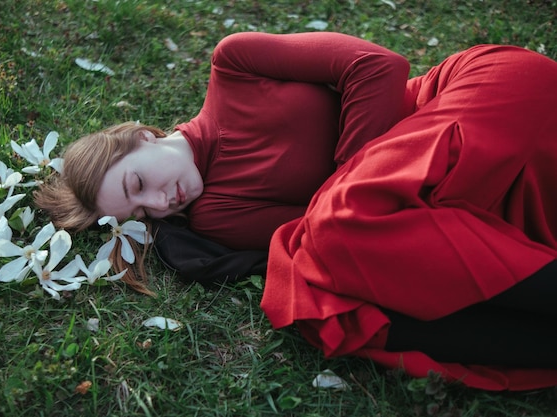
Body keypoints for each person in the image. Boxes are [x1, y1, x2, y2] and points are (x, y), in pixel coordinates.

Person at [35, 32, 557, 391]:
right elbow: (357, 249)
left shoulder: (235, 64)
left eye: (138, 182)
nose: (159, 203)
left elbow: (378, 66)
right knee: (322, 265)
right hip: (466, 201)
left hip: (472, 102)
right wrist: (362, 192)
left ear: (141, 137)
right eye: (142, 212)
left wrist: (364, 176)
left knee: (336, 222)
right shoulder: (218, 217)